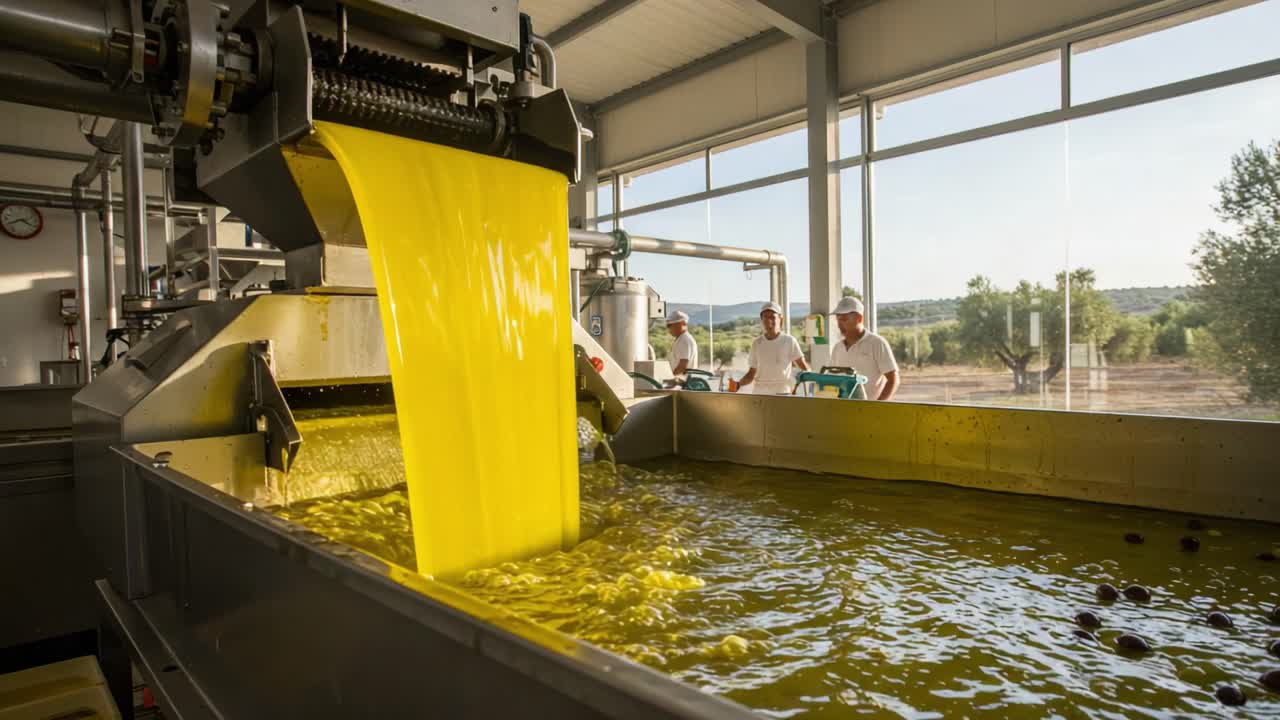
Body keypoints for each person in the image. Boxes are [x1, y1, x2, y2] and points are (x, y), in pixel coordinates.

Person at [828, 296, 899, 400]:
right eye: (838, 319)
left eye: (844, 319)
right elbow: (832, 380)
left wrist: (877, 406)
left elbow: (893, 379)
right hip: (842, 409)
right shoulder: (837, 348)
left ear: (859, 318)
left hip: (869, 411)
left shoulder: (877, 343)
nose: (840, 324)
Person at [734, 302, 809, 395]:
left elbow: (805, 369)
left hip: (782, 393)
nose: (769, 320)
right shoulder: (757, 343)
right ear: (761, 320)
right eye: (765, 317)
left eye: (772, 317)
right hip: (760, 393)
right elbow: (751, 374)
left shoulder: (789, 341)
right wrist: (737, 384)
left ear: (781, 319)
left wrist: (799, 386)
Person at [665, 310, 697, 377]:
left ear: (682, 323)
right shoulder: (681, 339)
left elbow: (682, 366)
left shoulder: (684, 340)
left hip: (682, 382)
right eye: (667, 325)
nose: (669, 328)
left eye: (670, 325)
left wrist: (670, 378)